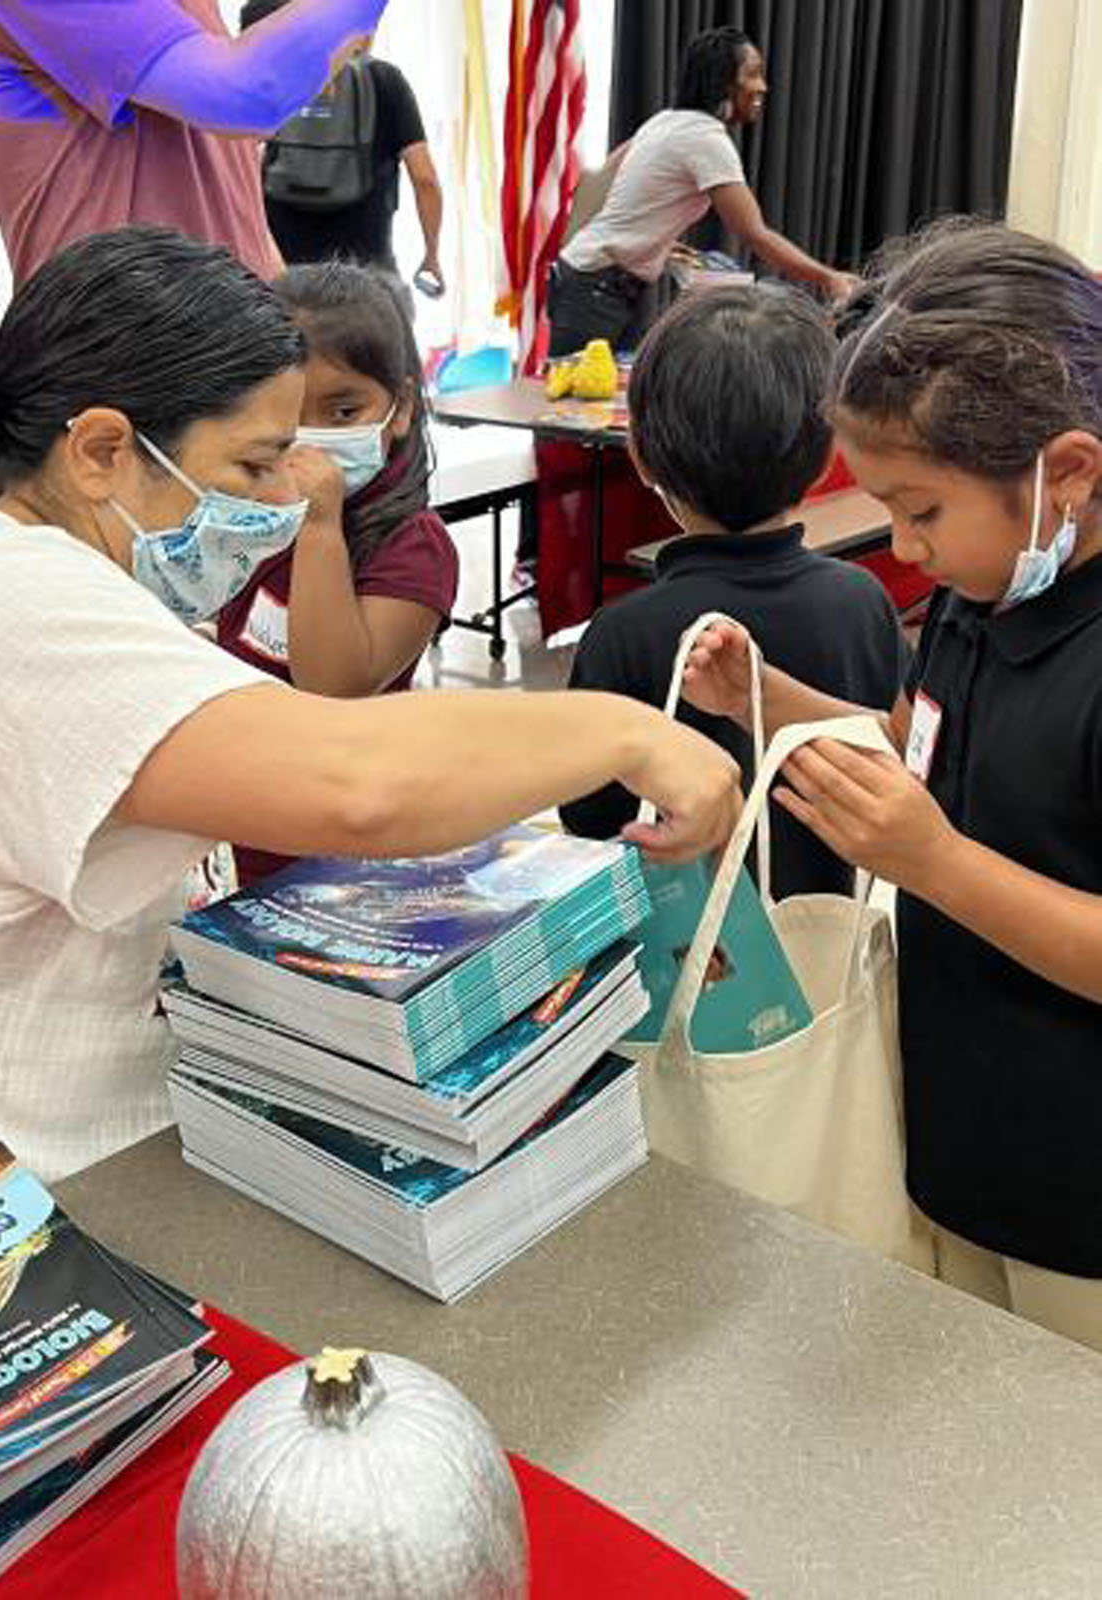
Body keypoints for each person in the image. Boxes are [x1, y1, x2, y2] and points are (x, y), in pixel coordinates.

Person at [0, 226, 741, 1183]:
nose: (275, 500)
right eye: (254, 466)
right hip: (12, 1173)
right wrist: (625, 731)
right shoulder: (22, 602)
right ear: (101, 452)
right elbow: (356, 780)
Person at [681, 220, 1102, 1350]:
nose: (902, 548)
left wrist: (937, 863)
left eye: (921, 510)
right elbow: (927, 744)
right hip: (964, 1117)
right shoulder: (987, 584)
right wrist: (769, 698)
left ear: (1065, 472)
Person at [560, 284, 908, 901]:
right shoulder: (862, 599)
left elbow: (587, 818)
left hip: (687, 952)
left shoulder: (624, 630)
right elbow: (893, 753)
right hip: (823, 927)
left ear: (639, 456)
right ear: (828, 454)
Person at [217, 259, 458, 883]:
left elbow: (334, 687)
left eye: (344, 411)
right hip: (250, 814)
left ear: (399, 408)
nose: (313, 442)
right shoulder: (258, 515)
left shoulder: (413, 547)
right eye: (291, 416)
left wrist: (320, 525)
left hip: (343, 843)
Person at [0, 0, 387, 285]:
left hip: (224, 352)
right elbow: (247, 94)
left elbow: (224, 188)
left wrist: (287, 321)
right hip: (130, 365)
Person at [547, 25, 857, 358]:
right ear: (724, 82)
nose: (763, 87)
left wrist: (654, 237)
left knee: (611, 400)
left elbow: (603, 177)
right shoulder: (706, 139)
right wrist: (828, 278)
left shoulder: (665, 120)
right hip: (597, 287)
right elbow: (755, 234)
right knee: (580, 405)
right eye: (753, 74)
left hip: (592, 279)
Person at [240, 5, 444, 293]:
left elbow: (241, 165)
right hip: (368, 278)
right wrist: (432, 255)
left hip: (286, 277)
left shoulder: (276, 78)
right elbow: (425, 180)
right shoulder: (386, 81)